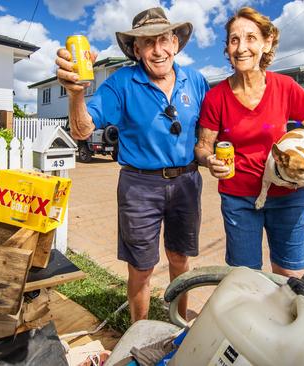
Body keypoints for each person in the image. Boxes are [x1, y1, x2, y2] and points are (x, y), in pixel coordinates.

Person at [55, 7, 209, 322]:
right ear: (136, 50)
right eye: (147, 43)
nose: (157, 50)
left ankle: (177, 327)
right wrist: (75, 94)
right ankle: (138, 334)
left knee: (180, 258)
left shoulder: (197, 81)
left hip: (187, 183)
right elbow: (82, 129)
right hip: (140, 186)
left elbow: (210, 133)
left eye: (163, 39)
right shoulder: (121, 83)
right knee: (141, 267)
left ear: (175, 43)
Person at [195, 7, 304, 278]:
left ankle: (288, 320)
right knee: (245, 277)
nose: (241, 48)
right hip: (238, 198)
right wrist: (208, 160)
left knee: (292, 273)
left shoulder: (285, 87)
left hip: (289, 197)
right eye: (234, 40)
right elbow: (203, 146)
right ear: (227, 47)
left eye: (251, 38)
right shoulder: (216, 97)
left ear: (267, 43)